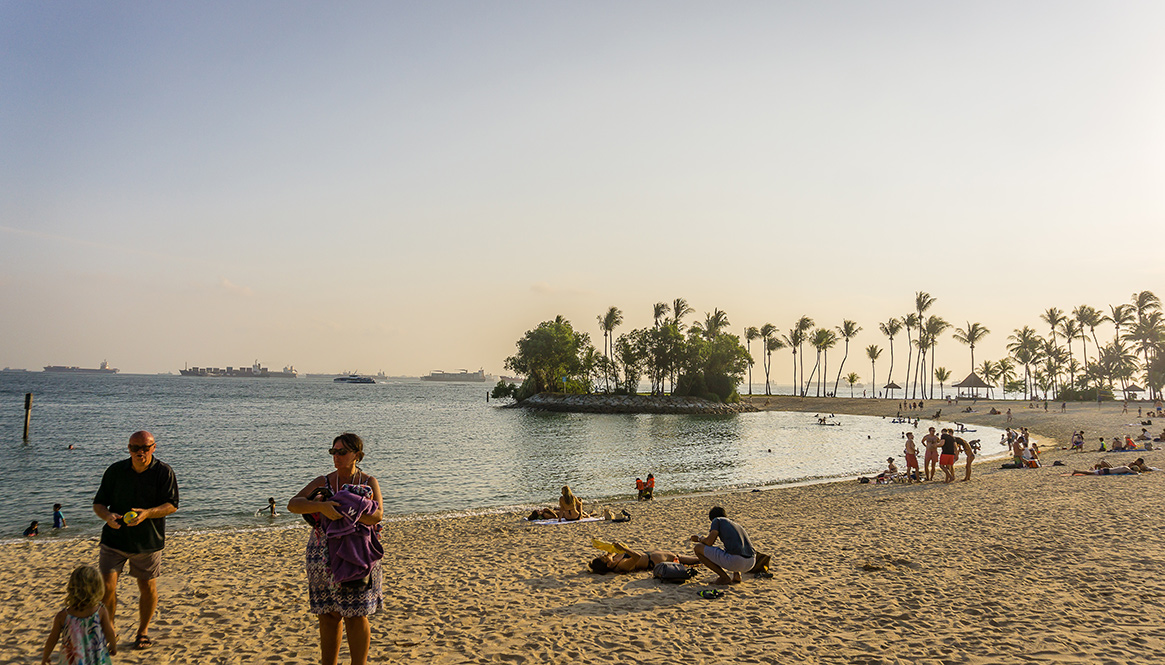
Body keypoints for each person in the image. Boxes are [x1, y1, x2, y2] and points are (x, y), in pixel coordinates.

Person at [288, 433, 383, 665]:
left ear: (357, 456)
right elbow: (293, 504)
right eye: (333, 452)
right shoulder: (324, 481)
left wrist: (352, 511)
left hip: (357, 554)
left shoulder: (368, 482)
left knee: (356, 614)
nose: (336, 457)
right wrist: (321, 506)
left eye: (342, 452)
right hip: (321, 554)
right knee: (328, 614)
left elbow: (378, 515)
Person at [92, 431, 179, 651]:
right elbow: (99, 504)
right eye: (134, 448)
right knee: (107, 588)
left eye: (145, 448)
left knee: (147, 587)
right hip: (114, 540)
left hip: (147, 542)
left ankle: (142, 632)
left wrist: (147, 513)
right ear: (128, 448)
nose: (140, 452)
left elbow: (172, 505)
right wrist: (107, 516)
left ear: (154, 447)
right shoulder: (115, 471)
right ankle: (110, 631)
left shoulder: (163, 472)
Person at [40, 565, 117, 665]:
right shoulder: (100, 611)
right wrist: (113, 645)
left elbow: (52, 639)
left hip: (72, 660)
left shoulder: (63, 616)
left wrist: (45, 657)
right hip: (96, 658)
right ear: (98, 588)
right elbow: (109, 632)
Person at [690, 506, 756, 586]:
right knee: (731, 546)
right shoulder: (736, 525)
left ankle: (723, 577)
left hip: (736, 561)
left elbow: (709, 542)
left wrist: (699, 538)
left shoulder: (717, 520)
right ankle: (737, 575)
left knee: (698, 548)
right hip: (751, 562)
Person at [588, 541, 701, 574]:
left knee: (678, 556)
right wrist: (624, 548)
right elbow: (637, 556)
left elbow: (611, 552)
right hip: (655, 560)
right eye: (604, 558)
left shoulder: (613, 559)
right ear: (608, 564)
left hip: (654, 555)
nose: (605, 555)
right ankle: (703, 559)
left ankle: (703, 559)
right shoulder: (621, 565)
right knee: (681, 558)